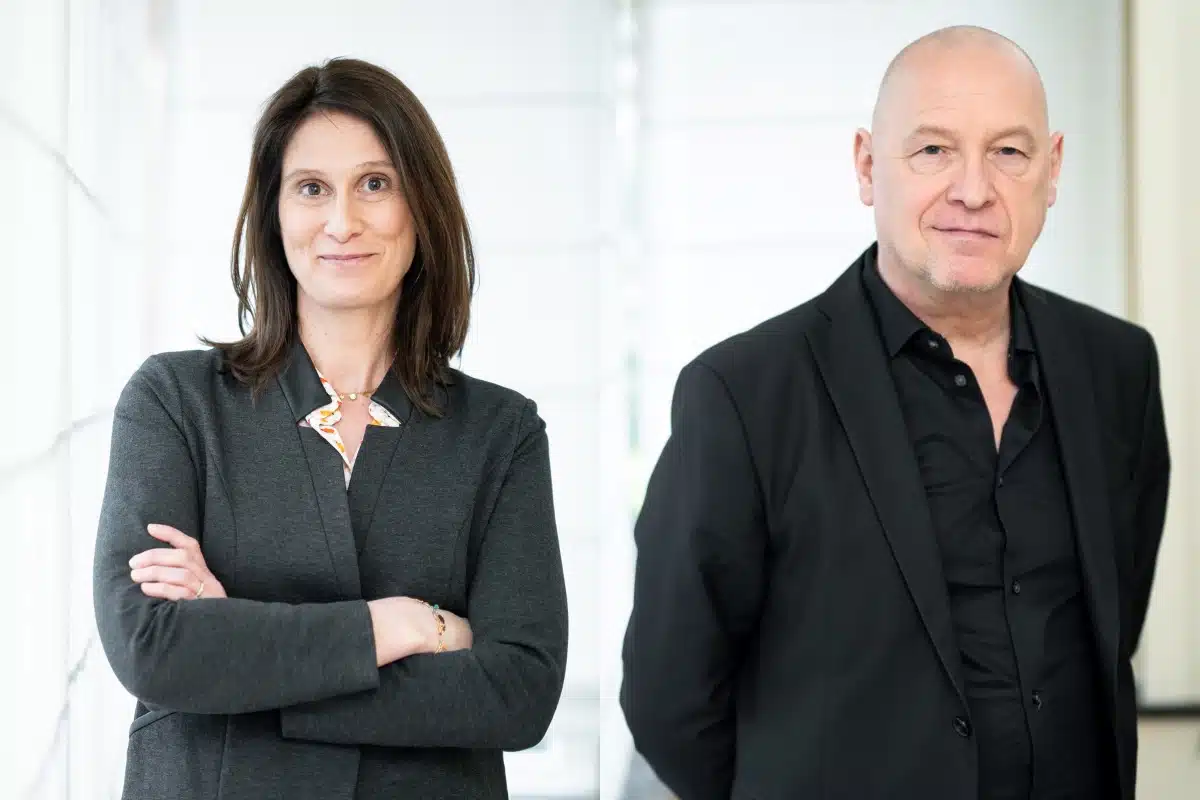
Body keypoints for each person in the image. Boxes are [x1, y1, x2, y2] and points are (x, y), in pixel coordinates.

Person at [620, 25, 1168, 800]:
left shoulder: (1118, 368)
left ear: (1052, 170)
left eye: (1009, 152)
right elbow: (670, 700)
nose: (973, 190)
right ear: (868, 166)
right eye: (934, 150)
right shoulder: (742, 394)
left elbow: (1114, 628)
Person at [93, 57, 568, 800]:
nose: (342, 222)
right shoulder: (173, 402)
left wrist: (243, 653)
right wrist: (406, 625)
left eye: (374, 184)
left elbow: (519, 692)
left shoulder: (501, 434)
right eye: (311, 188)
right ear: (274, 213)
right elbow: (151, 648)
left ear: (421, 205)